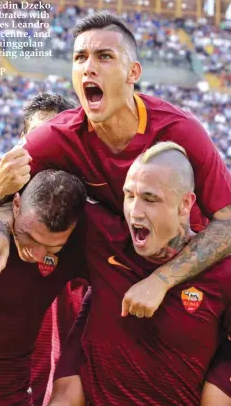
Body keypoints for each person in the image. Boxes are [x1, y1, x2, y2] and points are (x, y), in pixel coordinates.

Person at [0, 11, 231, 321]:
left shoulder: (180, 130)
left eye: (104, 57)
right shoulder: (59, 135)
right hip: (122, 275)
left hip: (196, 279)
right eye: (80, 57)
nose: (89, 67)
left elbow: (228, 221)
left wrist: (162, 280)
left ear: (132, 73)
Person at [49, 142, 231, 406]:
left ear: (185, 204)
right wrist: (0, 218)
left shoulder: (221, 273)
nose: (135, 210)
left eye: (150, 198)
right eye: (129, 195)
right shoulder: (102, 237)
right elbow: (41, 196)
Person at [0, 92, 87, 406]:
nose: (46, 154)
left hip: (32, 382)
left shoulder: (81, 226)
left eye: (57, 146)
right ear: (21, 143)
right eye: (38, 141)